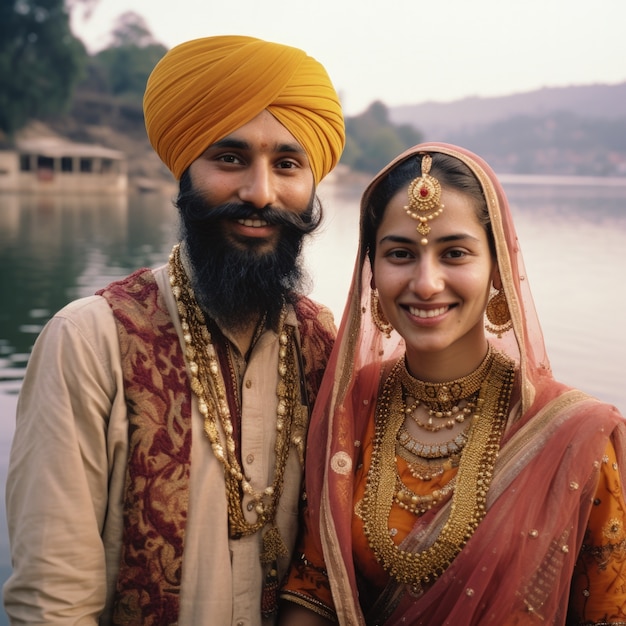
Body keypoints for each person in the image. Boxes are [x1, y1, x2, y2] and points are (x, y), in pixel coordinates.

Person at [3, 35, 345, 625]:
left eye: (287, 164)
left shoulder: (323, 343)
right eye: (230, 158)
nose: (260, 193)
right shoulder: (90, 342)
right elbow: (53, 604)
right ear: (183, 171)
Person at [278, 143, 626, 625]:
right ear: (372, 274)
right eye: (400, 253)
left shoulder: (575, 435)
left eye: (455, 253)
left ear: (498, 268)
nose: (426, 283)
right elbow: (313, 589)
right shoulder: (351, 402)